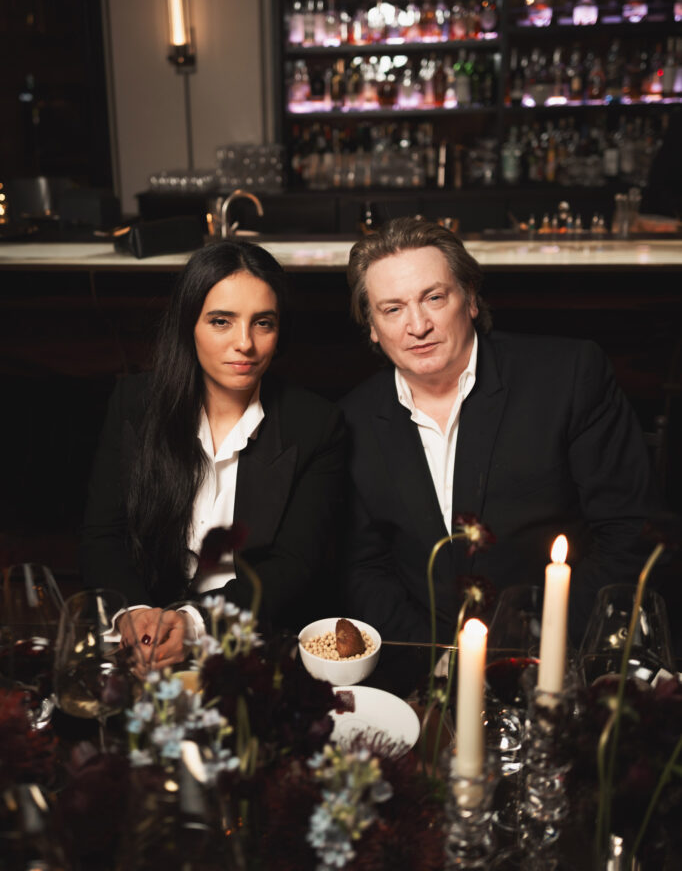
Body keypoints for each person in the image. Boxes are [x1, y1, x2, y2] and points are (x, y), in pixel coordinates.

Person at [341, 217, 657, 649]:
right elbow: (365, 568)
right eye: (392, 309)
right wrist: (436, 661)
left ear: (470, 299)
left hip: (557, 650)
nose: (417, 326)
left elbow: (627, 533)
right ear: (373, 328)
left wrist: (541, 650)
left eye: (434, 298)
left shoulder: (568, 376)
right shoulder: (352, 419)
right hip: (426, 660)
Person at [81, 240, 345, 665]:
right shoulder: (134, 404)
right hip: (141, 639)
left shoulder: (316, 424)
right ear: (189, 324)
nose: (245, 343)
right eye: (221, 321)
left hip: (249, 644)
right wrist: (134, 614)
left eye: (263, 323)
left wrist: (194, 624)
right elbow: (103, 536)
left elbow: (293, 565)